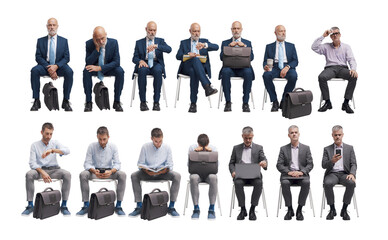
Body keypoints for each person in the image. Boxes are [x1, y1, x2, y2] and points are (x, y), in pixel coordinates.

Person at [129, 128, 181, 217]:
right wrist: (146, 170)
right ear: (151, 139)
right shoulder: (145, 147)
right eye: (156, 141)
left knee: (177, 176)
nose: (158, 144)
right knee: (134, 175)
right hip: (148, 173)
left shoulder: (167, 147)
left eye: (160, 141)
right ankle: (139, 206)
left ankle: (171, 207)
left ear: (163, 138)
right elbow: (140, 163)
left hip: (162, 173)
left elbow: (170, 164)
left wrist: (165, 170)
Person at [22, 122, 71, 216]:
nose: (49, 136)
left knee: (67, 174)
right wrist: (42, 172)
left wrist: (53, 150)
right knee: (29, 174)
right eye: (47, 133)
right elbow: (32, 163)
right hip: (39, 171)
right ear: (42, 132)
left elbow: (67, 151)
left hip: (54, 170)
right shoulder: (34, 145)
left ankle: (64, 205)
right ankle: (30, 205)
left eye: (51, 134)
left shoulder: (55, 143)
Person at [76, 126, 127, 216]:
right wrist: (93, 170)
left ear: (108, 137)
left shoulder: (113, 147)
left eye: (104, 139)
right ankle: (86, 205)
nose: (102, 142)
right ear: (97, 137)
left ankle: (118, 206)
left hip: (109, 172)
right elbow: (87, 163)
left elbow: (117, 164)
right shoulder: (91, 146)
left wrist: (111, 171)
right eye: (100, 139)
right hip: (95, 172)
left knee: (122, 174)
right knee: (83, 174)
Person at [30, 18, 73, 111]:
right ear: (47, 26)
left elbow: (66, 57)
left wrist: (56, 66)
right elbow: (38, 57)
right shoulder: (40, 41)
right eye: (50, 25)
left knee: (69, 72)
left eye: (54, 25)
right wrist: (49, 68)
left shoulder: (64, 41)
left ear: (57, 26)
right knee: (34, 70)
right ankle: (36, 100)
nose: (52, 27)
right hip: (45, 66)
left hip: (59, 66)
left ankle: (66, 100)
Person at [312, 27, 358, 114]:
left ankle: (346, 103)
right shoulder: (326, 46)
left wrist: (353, 69)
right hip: (330, 68)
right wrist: (323, 36)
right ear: (331, 37)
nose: (335, 35)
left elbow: (351, 59)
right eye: (332, 34)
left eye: (336, 33)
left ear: (340, 35)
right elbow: (313, 47)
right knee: (321, 77)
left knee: (353, 76)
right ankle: (327, 102)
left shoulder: (346, 47)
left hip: (342, 68)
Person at [176, 23, 219, 113]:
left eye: (198, 31)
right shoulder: (184, 43)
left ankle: (193, 104)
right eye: (194, 31)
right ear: (190, 31)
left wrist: (204, 45)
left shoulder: (204, 41)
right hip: (186, 67)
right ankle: (207, 86)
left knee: (194, 71)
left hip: (200, 69)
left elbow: (216, 47)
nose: (196, 33)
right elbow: (178, 56)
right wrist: (188, 54)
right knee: (194, 60)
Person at [229, 126, 267, 220]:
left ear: (253, 136)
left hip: (254, 176)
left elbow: (264, 159)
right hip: (240, 175)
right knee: (237, 183)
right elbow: (231, 163)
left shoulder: (258, 148)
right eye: (246, 138)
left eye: (250, 138)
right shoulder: (236, 148)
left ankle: (252, 209)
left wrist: (264, 163)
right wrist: (233, 171)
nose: (248, 140)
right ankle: (242, 209)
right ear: (242, 136)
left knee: (259, 183)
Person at [83, 26, 125, 112]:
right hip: (94, 68)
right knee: (86, 71)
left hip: (108, 68)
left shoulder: (114, 42)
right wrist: (97, 49)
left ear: (106, 34)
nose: (101, 41)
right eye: (97, 39)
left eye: (102, 38)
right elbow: (88, 62)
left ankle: (117, 101)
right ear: (93, 37)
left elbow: (117, 62)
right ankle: (88, 102)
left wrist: (101, 68)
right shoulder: (89, 43)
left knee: (120, 71)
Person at [132, 21, 172, 111]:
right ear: (146, 29)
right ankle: (143, 102)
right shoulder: (139, 42)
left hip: (156, 63)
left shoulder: (160, 41)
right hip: (144, 63)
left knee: (158, 71)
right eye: (150, 30)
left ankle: (156, 102)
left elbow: (169, 49)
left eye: (154, 30)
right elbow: (134, 58)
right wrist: (140, 61)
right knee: (142, 71)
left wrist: (157, 46)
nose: (152, 32)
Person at [276, 125, 313, 221]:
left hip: (301, 175)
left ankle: (299, 209)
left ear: (299, 134)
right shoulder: (283, 149)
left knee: (306, 182)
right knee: (284, 183)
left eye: (296, 132)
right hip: (288, 176)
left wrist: (301, 172)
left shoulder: (306, 148)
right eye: (292, 133)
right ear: (289, 135)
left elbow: (310, 164)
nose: (294, 134)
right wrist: (289, 172)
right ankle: (289, 209)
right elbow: (279, 165)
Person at [322, 125, 357, 220]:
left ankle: (344, 209)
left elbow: (353, 163)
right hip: (332, 174)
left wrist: (352, 174)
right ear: (332, 135)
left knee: (351, 183)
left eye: (339, 135)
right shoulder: (327, 149)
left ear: (343, 135)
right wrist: (332, 161)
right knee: (327, 183)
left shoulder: (349, 148)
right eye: (335, 135)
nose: (337, 137)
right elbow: (323, 165)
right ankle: (332, 209)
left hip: (345, 174)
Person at [219, 21, 254, 112]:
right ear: (231, 30)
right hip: (229, 68)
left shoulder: (247, 42)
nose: (236, 30)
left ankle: (245, 103)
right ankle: (228, 102)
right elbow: (221, 58)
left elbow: (252, 58)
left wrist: (244, 47)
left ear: (241, 30)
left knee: (248, 72)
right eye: (234, 28)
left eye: (238, 28)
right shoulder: (225, 42)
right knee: (225, 72)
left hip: (243, 68)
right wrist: (229, 46)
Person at [263, 25, 299, 112]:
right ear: (275, 33)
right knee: (266, 75)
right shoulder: (269, 46)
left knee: (294, 76)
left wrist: (287, 67)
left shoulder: (291, 46)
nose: (283, 33)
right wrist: (265, 66)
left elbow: (295, 61)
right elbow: (265, 61)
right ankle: (274, 101)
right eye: (280, 31)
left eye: (284, 31)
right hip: (274, 67)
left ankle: (284, 100)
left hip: (288, 66)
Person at [188, 134, 218, 219]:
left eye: (205, 146)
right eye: (201, 146)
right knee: (193, 177)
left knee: (213, 177)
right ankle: (196, 208)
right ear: (197, 143)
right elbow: (189, 165)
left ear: (208, 143)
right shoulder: (192, 148)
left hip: (209, 175)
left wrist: (210, 152)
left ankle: (211, 209)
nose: (204, 147)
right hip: (197, 174)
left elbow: (217, 166)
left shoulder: (213, 148)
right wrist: (194, 152)